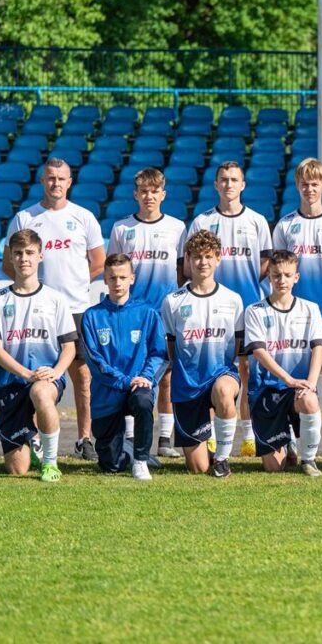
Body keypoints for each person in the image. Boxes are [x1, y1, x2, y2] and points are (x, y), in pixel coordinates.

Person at [5, 157, 105, 462]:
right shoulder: (25, 217)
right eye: (51, 178)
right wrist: (36, 292)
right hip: (37, 311)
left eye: (61, 178)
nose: (56, 183)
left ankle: (85, 438)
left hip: (76, 309)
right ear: (42, 181)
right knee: (38, 376)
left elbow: (98, 262)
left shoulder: (84, 217)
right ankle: (34, 437)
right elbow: (8, 265)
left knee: (83, 377)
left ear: (69, 182)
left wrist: (74, 287)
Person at [182, 161, 271, 458]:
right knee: (209, 368)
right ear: (215, 185)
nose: (229, 184)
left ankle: (248, 435)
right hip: (209, 308)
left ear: (243, 185)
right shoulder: (202, 221)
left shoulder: (257, 221)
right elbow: (189, 265)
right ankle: (208, 433)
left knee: (246, 371)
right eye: (223, 179)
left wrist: (244, 287)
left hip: (246, 307)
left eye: (234, 179)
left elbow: (264, 264)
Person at [272, 157, 322, 458]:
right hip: (293, 312)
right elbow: (280, 268)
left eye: (315, 184)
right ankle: (292, 437)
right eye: (304, 184)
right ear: (297, 185)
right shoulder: (286, 225)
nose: (309, 189)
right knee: (294, 372)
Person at [0, 229, 77, 482]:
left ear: (40, 256)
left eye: (29, 252)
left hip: (46, 378)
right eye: (18, 253)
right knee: (17, 469)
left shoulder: (55, 299)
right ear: (10, 258)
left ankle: (50, 463)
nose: (24, 258)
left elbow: (69, 347)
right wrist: (25, 373)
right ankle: (32, 441)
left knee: (41, 392)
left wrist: (56, 372)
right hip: (12, 382)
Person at [108, 167, 186, 458]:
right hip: (133, 313)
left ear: (163, 194)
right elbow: (115, 269)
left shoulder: (177, 227)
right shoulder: (122, 228)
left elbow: (182, 271)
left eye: (154, 191)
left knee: (166, 375)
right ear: (135, 194)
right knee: (132, 372)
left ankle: (165, 438)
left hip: (166, 313)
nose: (149, 196)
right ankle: (130, 437)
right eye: (144, 191)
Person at [162, 230, 244, 477]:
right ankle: (208, 445)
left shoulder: (233, 300)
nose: (203, 262)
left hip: (221, 374)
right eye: (197, 256)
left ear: (218, 258)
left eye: (209, 256)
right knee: (198, 468)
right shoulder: (173, 301)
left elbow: (238, 347)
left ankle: (222, 459)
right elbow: (171, 347)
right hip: (188, 384)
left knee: (224, 390)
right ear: (187, 259)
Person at [80, 254, 168, 480]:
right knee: (110, 466)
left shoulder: (147, 313)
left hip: (138, 385)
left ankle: (140, 460)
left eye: (122, 277)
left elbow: (160, 354)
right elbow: (94, 361)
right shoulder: (92, 316)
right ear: (105, 279)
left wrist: (146, 378)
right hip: (107, 393)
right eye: (112, 278)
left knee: (144, 399)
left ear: (132, 278)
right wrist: (125, 380)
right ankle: (127, 452)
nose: (117, 283)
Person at [243, 250, 322, 477]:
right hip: (267, 390)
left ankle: (308, 459)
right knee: (274, 467)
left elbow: (318, 348)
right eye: (276, 275)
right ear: (269, 277)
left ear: (296, 277)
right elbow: (259, 352)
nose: (282, 280)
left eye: (288, 275)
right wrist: (288, 380)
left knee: (309, 399)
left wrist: (311, 383)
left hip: (299, 388)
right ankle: (288, 441)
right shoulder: (254, 311)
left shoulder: (310, 309)